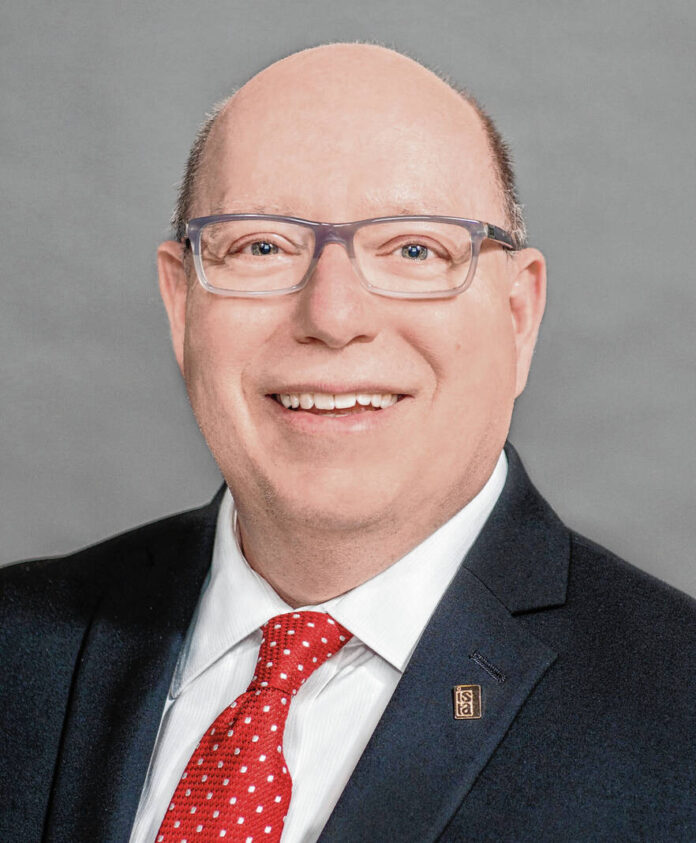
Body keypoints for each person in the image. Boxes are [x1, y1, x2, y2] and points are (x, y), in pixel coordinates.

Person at [1, 42, 695, 843]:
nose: (332, 317)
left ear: (518, 315)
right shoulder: (19, 644)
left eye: (414, 250)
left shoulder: (676, 716)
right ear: (181, 301)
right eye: (262, 246)